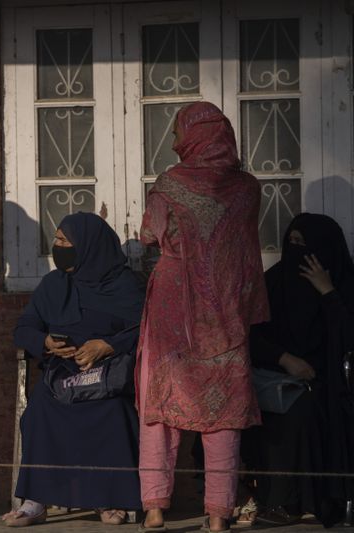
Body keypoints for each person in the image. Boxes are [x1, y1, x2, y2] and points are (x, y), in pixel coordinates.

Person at [137, 102, 269, 533]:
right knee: (224, 413)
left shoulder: (169, 185)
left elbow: (148, 234)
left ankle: (154, 509)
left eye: (178, 132)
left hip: (175, 308)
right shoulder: (249, 188)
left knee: (159, 408)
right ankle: (218, 515)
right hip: (227, 309)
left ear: (192, 136)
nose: (175, 142)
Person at [3, 212, 144, 527]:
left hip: (107, 377)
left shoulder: (124, 285)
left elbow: (145, 329)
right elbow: (23, 329)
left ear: (89, 246)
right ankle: (35, 500)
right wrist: (46, 342)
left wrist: (107, 345)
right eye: (56, 240)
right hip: (62, 377)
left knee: (112, 413)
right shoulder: (54, 284)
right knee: (39, 411)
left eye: (63, 241)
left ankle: (111, 499)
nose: (57, 246)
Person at [243, 213, 354, 527]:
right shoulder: (273, 281)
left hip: (333, 381)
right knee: (292, 409)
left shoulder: (343, 283)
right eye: (290, 243)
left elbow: (347, 337)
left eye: (303, 245)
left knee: (312, 408)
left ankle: (311, 500)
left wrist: (327, 292)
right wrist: (284, 358)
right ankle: (282, 502)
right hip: (276, 379)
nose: (296, 253)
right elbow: (250, 334)